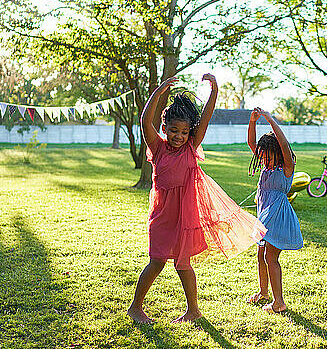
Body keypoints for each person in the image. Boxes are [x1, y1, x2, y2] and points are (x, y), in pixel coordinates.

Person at [127, 74, 266, 324]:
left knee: (183, 264)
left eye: (183, 131)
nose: (178, 136)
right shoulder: (157, 147)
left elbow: (206, 118)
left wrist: (214, 89)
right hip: (161, 217)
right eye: (173, 131)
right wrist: (158, 92)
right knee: (156, 261)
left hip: (185, 218)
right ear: (165, 128)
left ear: (189, 132)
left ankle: (193, 311)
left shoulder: (191, 146)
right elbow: (143, 120)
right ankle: (136, 307)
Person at [247, 107, 303, 314]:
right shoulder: (266, 165)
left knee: (271, 257)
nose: (264, 161)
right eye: (262, 157)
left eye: (268, 158)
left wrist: (270, 120)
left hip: (278, 217)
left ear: (278, 154)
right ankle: (263, 292)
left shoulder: (286, 167)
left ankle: (279, 302)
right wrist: (252, 121)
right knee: (261, 254)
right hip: (265, 215)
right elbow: (251, 143)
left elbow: (284, 144)